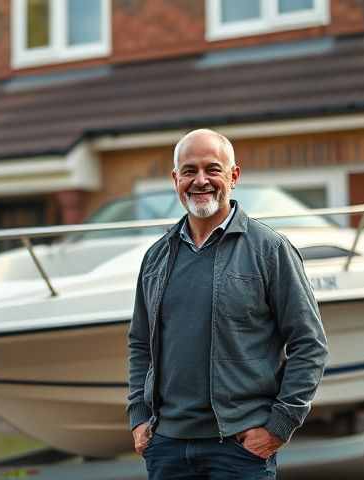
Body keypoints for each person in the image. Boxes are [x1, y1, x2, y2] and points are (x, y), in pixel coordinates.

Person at [127, 129, 328, 479]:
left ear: (234, 176)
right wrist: (139, 417)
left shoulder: (270, 250)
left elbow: (310, 344)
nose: (200, 180)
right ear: (176, 179)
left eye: (212, 169)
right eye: (189, 171)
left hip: (239, 450)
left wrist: (279, 426)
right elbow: (140, 343)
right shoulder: (156, 257)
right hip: (168, 448)